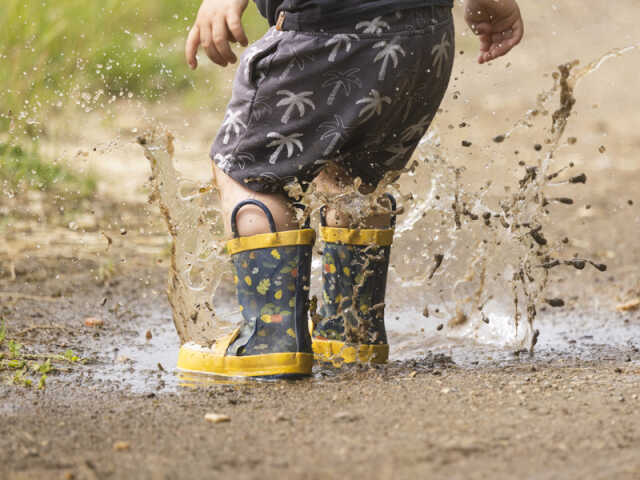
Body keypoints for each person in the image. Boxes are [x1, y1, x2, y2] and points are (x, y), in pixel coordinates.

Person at [176, 0, 523, 378]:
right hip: (423, 40)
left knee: (249, 173)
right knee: (355, 176)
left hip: (327, 33)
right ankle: (352, 329)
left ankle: (270, 340)